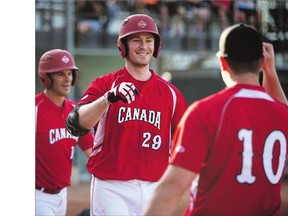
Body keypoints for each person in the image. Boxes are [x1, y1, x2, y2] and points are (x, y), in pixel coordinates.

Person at [144, 23, 288, 216]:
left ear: (222, 62)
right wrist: (269, 71)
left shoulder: (205, 111)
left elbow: (172, 187)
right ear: (263, 61)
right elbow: (281, 109)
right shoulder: (281, 113)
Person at [66, 14, 188, 215]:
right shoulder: (106, 85)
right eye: (136, 40)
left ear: (155, 46)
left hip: (155, 186)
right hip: (112, 187)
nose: (143, 46)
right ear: (123, 46)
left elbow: (184, 141)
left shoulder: (171, 94)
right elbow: (76, 123)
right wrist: (107, 99)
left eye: (149, 40)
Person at [35, 49, 94, 216]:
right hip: (37, 196)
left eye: (70, 73)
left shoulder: (75, 112)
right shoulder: (35, 109)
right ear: (46, 78)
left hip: (62, 195)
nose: (67, 79)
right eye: (61, 74)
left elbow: (93, 152)